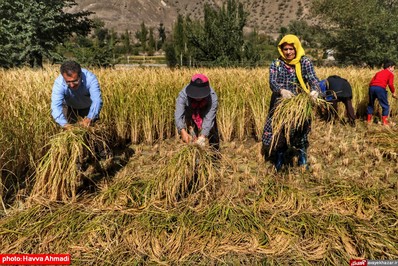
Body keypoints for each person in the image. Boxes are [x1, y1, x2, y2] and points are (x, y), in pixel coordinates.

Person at [262, 34, 321, 171]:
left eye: (291, 49)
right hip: (280, 103)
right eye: (285, 49)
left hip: (299, 105)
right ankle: (279, 160)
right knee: (279, 132)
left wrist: (314, 91)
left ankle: (302, 159)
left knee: (301, 130)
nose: (288, 52)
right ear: (281, 50)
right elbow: (272, 82)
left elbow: (313, 79)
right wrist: (281, 90)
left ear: (296, 48)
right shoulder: (276, 64)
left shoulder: (304, 62)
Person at [51, 61, 103, 129]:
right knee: (68, 131)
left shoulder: (90, 79)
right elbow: (55, 106)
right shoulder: (59, 83)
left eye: (75, 81)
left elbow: (97, 101)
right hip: (69, 106)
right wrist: (65, 125)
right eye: (68, 82)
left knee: (94, 129)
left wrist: (90, 118)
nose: (72, 85)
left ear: (80, 75)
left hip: (88, 106)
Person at [175, 73, 220, 150]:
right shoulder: (183, 95)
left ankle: (214, 157)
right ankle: (193, 158)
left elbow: (209, 119)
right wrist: (182, 130)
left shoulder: (213, 98)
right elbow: (178, 115)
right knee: (190, 136)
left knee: (212, 133)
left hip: (205, 111)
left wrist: (203, 136)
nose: (198, 97)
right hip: (190, 111)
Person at [367, 59, 397, 125]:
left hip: (371, 88)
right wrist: (393, 92)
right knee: (385, 106)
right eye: (394, 67)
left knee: (370, 104)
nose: (394, 69)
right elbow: (390, 84)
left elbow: (371, 82)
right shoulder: (390, 74)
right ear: (390, 67)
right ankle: (385, 123)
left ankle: (368, 121)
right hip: (380, 88)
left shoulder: (378, 73)